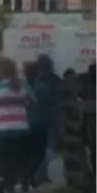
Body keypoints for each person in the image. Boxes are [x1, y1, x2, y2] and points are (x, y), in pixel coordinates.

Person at [0, 56, 35, 193]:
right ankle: (23, 181)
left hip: (1, 128)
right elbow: (34, 101)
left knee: (2, 158)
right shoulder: (23, 86)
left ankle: (7, 183)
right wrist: (21, 106)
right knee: (19, 156)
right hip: (20, 128)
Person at [31, 54, 59, 184]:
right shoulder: (54, 80)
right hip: (50, 118)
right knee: (49, 148)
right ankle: (41, 173)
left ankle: (38, 173)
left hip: (35, 119)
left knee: (39, 148)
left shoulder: (34, 82)